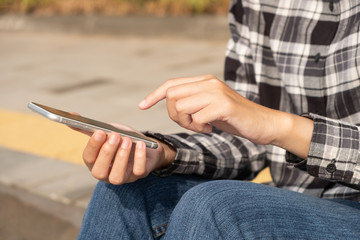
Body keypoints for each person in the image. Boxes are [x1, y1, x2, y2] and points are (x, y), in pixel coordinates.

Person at [76, 0, 360, 239]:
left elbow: (263, 124)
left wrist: (279, 126)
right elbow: (249, 139)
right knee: (127, 192)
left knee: (218, 208)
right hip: (295, 199)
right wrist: (160, 152)